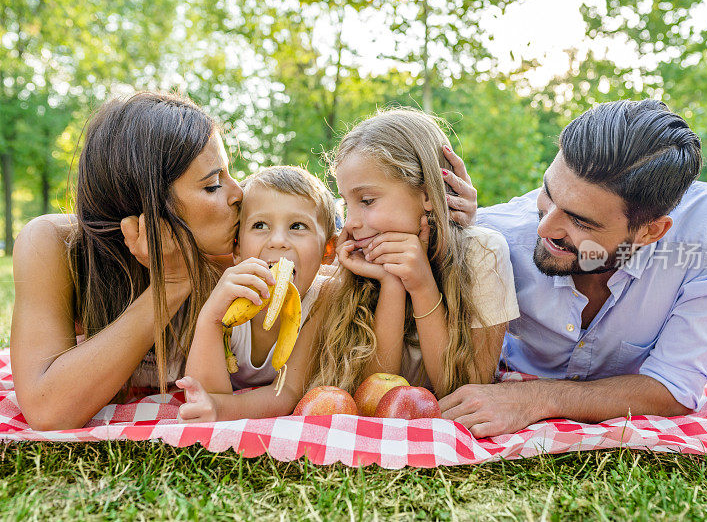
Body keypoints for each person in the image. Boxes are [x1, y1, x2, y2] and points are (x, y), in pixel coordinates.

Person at [437, 99, 707, 438]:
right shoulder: (495, 235)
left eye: (579, 220)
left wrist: (536, 398)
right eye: (547, 193)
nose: (545, 228)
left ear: (650, 232)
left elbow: (673, 386)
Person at [9, 92, 257, 430]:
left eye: (229, 174)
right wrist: (172, 284)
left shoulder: (237, 248)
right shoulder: (55, 244)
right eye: (213, 185)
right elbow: (47, 410)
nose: (239, 192)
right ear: (146, 201)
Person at [309, 108, 519, 398]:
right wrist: (391, 284)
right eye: (346, 204)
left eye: (367, 200)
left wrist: (421, 286)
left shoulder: (483, 253)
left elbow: (463, 391)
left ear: (427, 195)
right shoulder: (358, 264)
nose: (351, 222)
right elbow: (373, 396)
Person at [176, 166, 337, 421]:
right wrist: (211, 317)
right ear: (237, 248)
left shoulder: (319, 300)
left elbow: (287, 392)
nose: (278, 241)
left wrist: (220, 410)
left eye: (297, 226)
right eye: (260, 225)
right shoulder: (225, 292)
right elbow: (204, 395)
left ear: (328, 250)